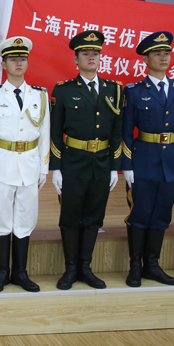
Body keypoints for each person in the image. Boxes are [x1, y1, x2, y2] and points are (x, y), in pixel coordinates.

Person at [49, 31, 122, 291]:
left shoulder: (114, 89)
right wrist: (56, 168)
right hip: (73, 161)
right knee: (70, 216)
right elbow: (55, 132)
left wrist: (114, 167)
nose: (91, 57)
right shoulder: (64, 90)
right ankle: (71, 269)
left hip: (101, 162)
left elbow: (117, 131)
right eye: (85, 53)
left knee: (94, 216)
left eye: (95, 53)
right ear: (76, 59)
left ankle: (86, 268)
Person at [122, 31, 174, 287]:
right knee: (140, 213)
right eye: (157, 53)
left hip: (171, 162)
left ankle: (152, 265)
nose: (163, 57)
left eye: (166, 53)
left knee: (162, 214)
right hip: (144, 160)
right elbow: (125, 132)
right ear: (145, 59)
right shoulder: (133, 91)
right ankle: (135, 266)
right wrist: (127, 165)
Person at [0, 36, 49, 293]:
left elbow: (45, 135)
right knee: (2, 218)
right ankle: (2, 273)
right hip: (3, 164)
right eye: (13, 59)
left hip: (30, 163)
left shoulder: (40, 95)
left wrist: (43, 168)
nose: (18, 63)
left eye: (22, 58)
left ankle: (20, 272)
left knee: (25, 218)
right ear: (4, 64)